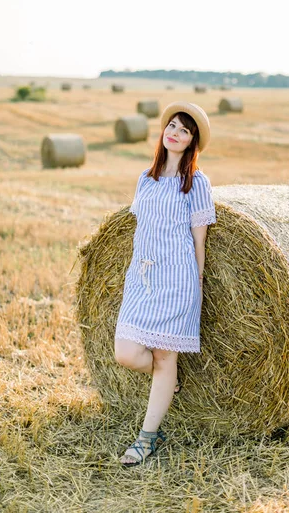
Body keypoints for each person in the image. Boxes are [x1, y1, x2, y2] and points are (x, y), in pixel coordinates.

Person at [114, 101, 216, 466]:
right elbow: (141, 229)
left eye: (184, 130)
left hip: (177, 278)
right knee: (126, 353)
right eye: (172, 126)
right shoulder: (146, 178)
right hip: (142, 277)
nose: (175, 132)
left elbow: (198, 238)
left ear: (192, 142)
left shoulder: (197, 184)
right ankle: (167, 381)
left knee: (163, 355)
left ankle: (146, 439)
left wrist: (198, 284)